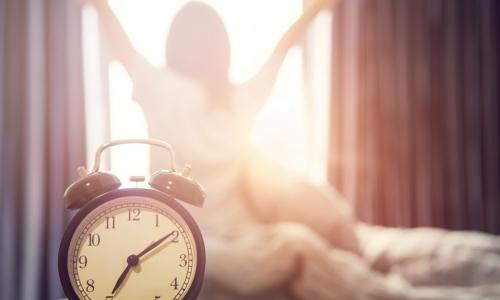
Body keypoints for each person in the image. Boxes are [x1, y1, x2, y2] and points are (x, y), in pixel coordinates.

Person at [86, 1, 500, 299]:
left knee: (295, 247)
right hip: (220, 239)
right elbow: (280, 50)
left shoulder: (170, 91)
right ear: (222, 50)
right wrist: (310, 12)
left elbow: (120, 44)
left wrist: (101, 8)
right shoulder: (228, 97)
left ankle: (371, 277)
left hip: (214, 238)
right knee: (294, 248)